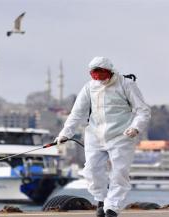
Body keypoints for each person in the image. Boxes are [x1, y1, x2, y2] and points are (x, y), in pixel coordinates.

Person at [55, 57, 151, 217]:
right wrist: (65, 133)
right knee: (91, 170)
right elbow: (77, 113)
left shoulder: (126, 85)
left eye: (101, 74)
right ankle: (101, 199)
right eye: (95, 75)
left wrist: (135, 127)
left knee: (119, 173)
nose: (99, 79)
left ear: (110, 71)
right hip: (94, 135)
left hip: (122, 136)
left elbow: (143, 111)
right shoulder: (89, 87)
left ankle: (112, 207)